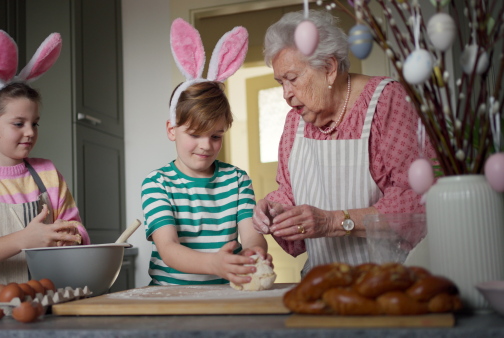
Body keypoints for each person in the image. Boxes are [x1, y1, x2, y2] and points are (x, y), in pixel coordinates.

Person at [252, 10, 436, 275]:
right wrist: (276, 212)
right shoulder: (295, 123)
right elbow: (289, 193)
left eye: (292, 79)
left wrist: (332, 221)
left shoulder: (386, 102)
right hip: (323, 280)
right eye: (281, 82)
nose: (285, 94)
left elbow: (418, 199)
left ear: (328, 68)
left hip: (389, 282)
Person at [0, 30, 90, 288]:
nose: (30, 132)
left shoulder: (48, 174)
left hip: (53, 302)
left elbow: (78, 229)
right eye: (18, 123)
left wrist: (72, 235)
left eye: (35, 123)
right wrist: (22, 239)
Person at [141, 19, 270, 286]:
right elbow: (169, 249)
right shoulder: (157, 184)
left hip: (226, 294)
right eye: (195, 134)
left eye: (216, 136)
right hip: (170, 297)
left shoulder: (237, 180)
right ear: (171, 129)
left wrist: (255, 254)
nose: (206, 145)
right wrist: (214, 263)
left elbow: (252, 234)